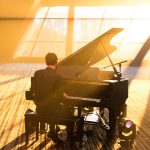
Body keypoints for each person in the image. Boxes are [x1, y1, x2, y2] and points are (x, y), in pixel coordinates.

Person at [33, 53, 74, 144]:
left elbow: (34, 90)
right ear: (56, 62)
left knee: (53, 104)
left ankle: (52, 130)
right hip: (51, 110)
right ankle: (71, 139)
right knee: (70, 113)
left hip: (39, 109)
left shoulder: (37, 73)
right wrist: (69, 97)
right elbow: (60, 96)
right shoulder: (57, 77)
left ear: (46, 61)